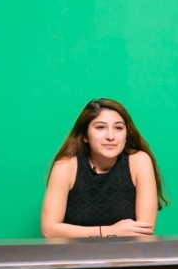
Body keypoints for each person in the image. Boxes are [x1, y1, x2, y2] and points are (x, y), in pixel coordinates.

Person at [40, 98, 169, 238]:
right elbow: (49, 230)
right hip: (75, 256)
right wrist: (109, 231)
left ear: (126, 136)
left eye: (118, 128)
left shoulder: (139, 162)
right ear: (85, 136)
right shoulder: (65, 166)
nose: (110, 136)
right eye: (100, 127)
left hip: (128, 256)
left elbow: (143, 231)